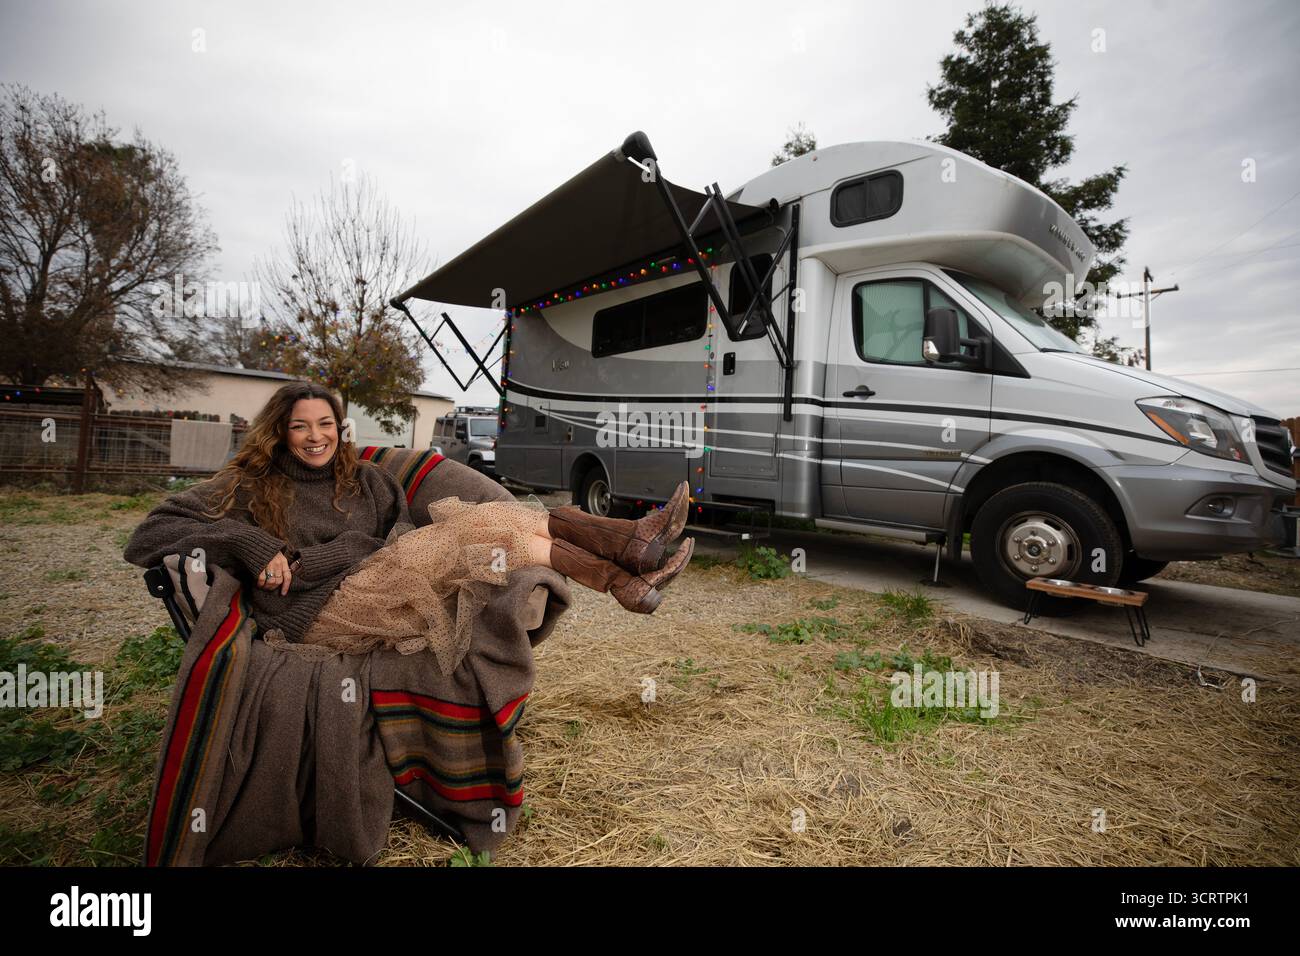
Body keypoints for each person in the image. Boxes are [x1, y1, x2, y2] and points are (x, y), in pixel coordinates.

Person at [122, 381, 693, 674]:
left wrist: (368, 550)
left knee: (489, 524)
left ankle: (624, 566)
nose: (316, 436)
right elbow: (148, 534)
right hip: (313, 610)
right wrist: (250, 541)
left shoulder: (366, 479)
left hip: (385, 577)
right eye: (301, 427)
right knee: (481, 528)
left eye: (327, 423)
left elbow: (395, 538)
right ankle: (624, 556)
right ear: (281, 430)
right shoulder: (247, 483)